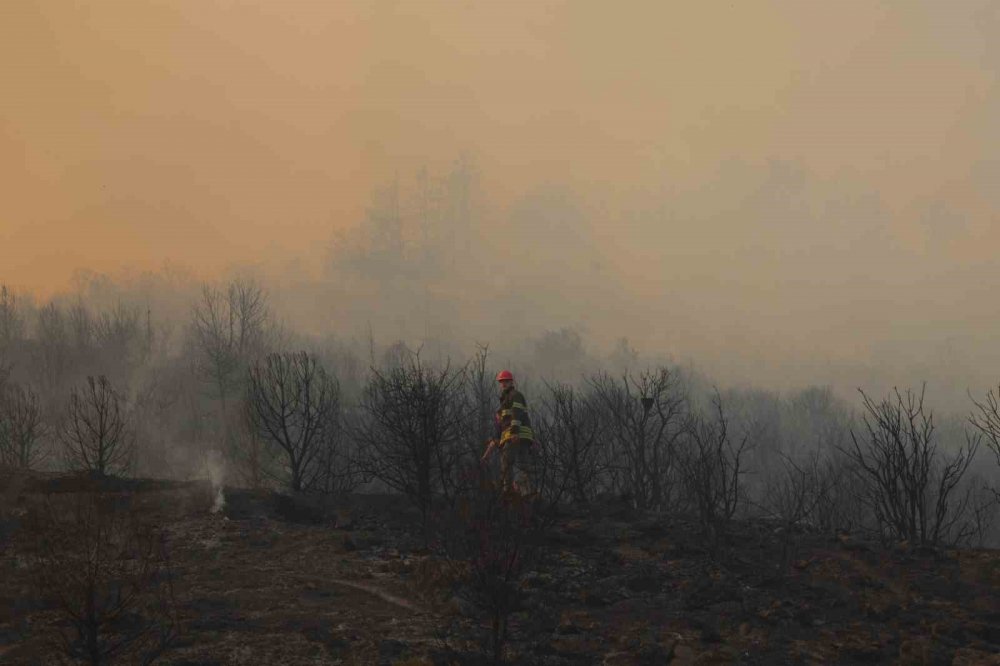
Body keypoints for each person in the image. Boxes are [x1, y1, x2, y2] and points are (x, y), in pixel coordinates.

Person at [490, 369, 536, 494]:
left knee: (507, 462)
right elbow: (502, 423)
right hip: (522, 437)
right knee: (524, 466)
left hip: (515, 436)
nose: (503, 384)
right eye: (501, 382)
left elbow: (517, 414)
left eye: (506, 381)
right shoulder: (505, 401)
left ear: (511, 382)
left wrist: (514, 432)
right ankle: (526, 492)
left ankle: (508, 491)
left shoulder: (515, 395)